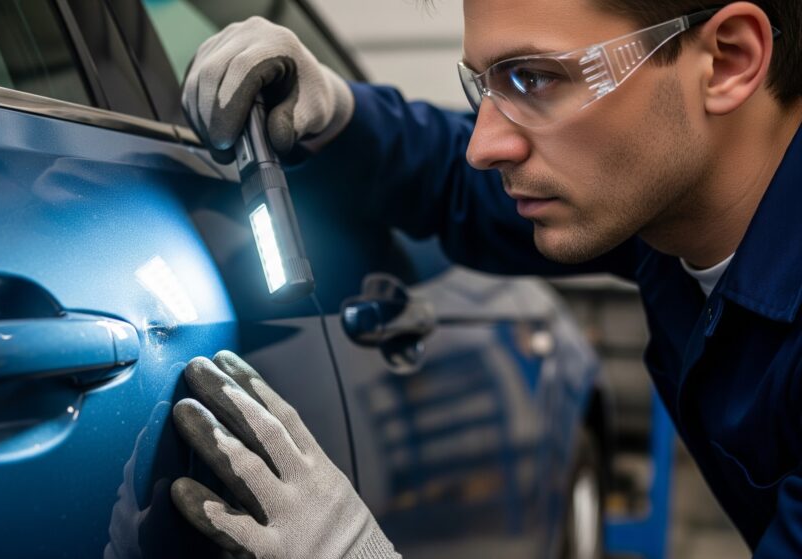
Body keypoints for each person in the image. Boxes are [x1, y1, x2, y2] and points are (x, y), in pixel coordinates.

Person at [167, 1, 802, 557]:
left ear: (727, 60)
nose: (485, 146)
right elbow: (455, 178)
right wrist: (338, 110)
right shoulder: (667, 200)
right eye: (488, 84)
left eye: (536, 77)